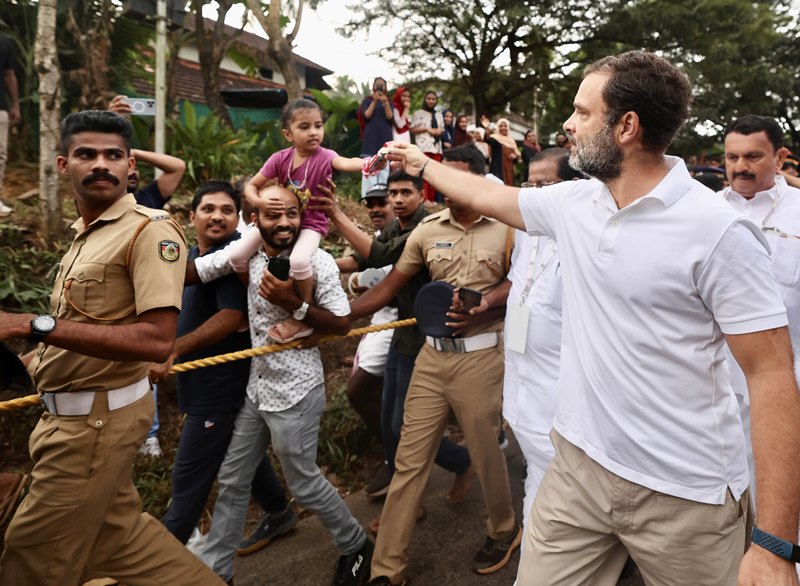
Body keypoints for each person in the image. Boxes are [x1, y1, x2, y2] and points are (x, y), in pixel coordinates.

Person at [386, 51, 800, 586]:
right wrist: (419, 162)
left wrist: (773, 545)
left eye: (582, 113)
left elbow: (771, 378)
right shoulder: (575, 203)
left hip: (684, 495)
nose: (567, 125)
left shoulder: (717, 232)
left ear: (626, 126)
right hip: (577, 471)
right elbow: (487, 192)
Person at [0, 110, 224, 585]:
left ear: (131, 168)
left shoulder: (150, 230)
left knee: (30, 559)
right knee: (121, 545)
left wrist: (28, 324)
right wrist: (28, 359)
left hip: (94, 426)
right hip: (68, 418)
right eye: (86, 154)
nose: (100, 164)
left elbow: (156, 339)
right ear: (63, 165)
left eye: (113, 155)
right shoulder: (83, 237)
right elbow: (81, 331)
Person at [353, 144, 519, 586]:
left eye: (456, 176)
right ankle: (386, 570)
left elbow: (521, 279)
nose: (444, 186)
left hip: (482, 357)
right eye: (441, 176)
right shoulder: (426, 230)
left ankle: (504, 530)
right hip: (430, 358)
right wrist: (337, 318)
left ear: (480, 181)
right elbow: (390, 284)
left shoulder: (508, 229)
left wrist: (486, 302)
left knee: (486, 455)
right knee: (408, 461)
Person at [201, 185, 373, 586]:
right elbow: (203, 268)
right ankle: (214, 573)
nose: (283, 223)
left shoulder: (318, 261)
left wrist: (293, 304)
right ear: (254, 218)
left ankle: (356, 546)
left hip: (296, 389)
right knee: (232, 479)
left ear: (302, 216)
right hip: (257, 389)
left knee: (303, 482)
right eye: (273, 216)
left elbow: (342, 322)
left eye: (292, 215)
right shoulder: (249, 254)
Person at [147, 180, 295, 552]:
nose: (217, 216)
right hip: (198, 381)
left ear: (240, 218)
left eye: (227, 210)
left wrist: (175, 348)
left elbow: (230, 316)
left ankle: (163, 559)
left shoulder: (232, 258)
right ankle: (278, 511)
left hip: (220, 385)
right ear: (191, 216)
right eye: (209, 209)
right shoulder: (195, 258)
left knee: (189, 477)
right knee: (239, 451)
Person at [311, 171, 472, 506]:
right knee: (389, 424)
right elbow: (368, 260)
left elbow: (381, 261)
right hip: (401, 335)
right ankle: (416, 484)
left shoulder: (424, 227)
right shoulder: (393, 227)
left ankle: (450, 470)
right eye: (393, 194)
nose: (398, 200)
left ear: (422, 195)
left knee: (404, 427)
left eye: (404, 193)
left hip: (425, 341)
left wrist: (336, 215)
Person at [229, 98, 379, 344]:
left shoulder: (325, 156)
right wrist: (260, 202)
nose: (314, 132)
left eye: (318, 126)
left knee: (299, 260)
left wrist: (368, 164)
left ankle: (303, 312)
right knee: (236, 256)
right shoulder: (279, 159)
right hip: (283, 221)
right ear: (288, 134)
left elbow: (345, 162)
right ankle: (252, 297)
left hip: (311, 225)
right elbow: (252, 187)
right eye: (305, 127)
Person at [109, 93, 188, 456]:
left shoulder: (149, 201)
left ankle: (150, 433)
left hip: (146, 293)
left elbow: (177, 166)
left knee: (146, 360)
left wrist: (133, 152)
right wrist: (114, 144)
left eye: (129, 166)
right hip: (112, 292)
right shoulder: (100, 204)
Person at [360, 77, 394, 195]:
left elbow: (390, 117)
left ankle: (382, 196)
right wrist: (374, 101)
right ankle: (367, 196)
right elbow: (366, 116)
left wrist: (385, 103)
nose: (379, 87)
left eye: (382, 85)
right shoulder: (367, 101)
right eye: (377, 85)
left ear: (385, 88)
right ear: (373, 87)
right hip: (370, 139)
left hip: (384, 138)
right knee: (368, 166)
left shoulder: (389, 102)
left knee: (384, 168)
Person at [410, 90, 444, 202]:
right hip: (424, 146)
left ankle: (432, 199)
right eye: (429, 98)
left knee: (434, 174)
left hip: (437, 148)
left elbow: (442, 128)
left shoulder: (439, 114)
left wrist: (439, 131)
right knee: (424, 173)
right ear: (425, 99)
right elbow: (413, 129)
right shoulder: (418, 113)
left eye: (433, 99)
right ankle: (424, 199)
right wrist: (426, 129)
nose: (431, 101)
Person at [0, 34, 20, 218]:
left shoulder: (5, 42)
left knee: (0, 154)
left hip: (0, 107)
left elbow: (9, 74)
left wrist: (15, 104)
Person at [480, 115, 521, 185]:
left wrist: (514, 156)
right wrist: (487, 128)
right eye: (501, 126)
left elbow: (517, 157)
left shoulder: (511, 140)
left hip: (509, 169)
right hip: (498, 169)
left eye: (505, 126)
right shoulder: (495, 138)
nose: (503, 128)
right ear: (498, 127)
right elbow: (487, 139)